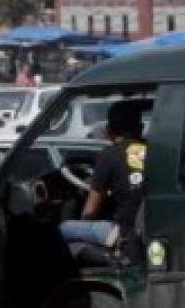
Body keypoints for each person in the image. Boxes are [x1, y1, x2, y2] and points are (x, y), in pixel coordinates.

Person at [59, 101, 147, 250]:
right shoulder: (154, 151)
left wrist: (83, 225)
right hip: (146, 226)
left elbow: (90, 210)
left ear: (108, 130)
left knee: (64, 228)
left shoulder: (108, 155)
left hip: (122, 232)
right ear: (140, 128)